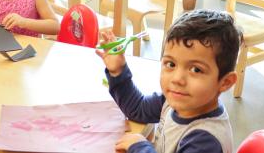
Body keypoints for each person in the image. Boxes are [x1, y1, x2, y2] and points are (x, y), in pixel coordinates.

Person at [96, 9, 242, 153]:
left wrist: (140, 147)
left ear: (226, 82)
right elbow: (137, 109)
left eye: (196, 69)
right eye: (171, 64)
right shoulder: (173, 102)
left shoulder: (205, 141)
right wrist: (118, 71)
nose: (177, 79)